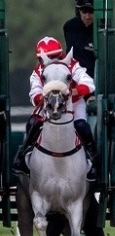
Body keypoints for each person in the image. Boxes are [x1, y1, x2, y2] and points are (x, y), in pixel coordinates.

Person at [14, 36, 98, 181]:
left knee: (81, 125)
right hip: (48, 104)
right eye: (46, 57)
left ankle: (93, 158)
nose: (51, 60)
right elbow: (34, 93)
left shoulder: (72, 65)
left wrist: (71, 92)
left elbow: (89, 83)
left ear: (61, 55)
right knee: (32, 123)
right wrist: (44, 97)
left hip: (74, 102)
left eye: (55, 56)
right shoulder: (38, 71)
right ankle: (23, 153)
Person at [63, 0, 97, 80]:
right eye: (84, 12)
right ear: (79, 11)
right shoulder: (70, 27)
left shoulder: (99, 28)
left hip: (93, 76)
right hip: (74, 75)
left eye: (90, 12)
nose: (87, 16)